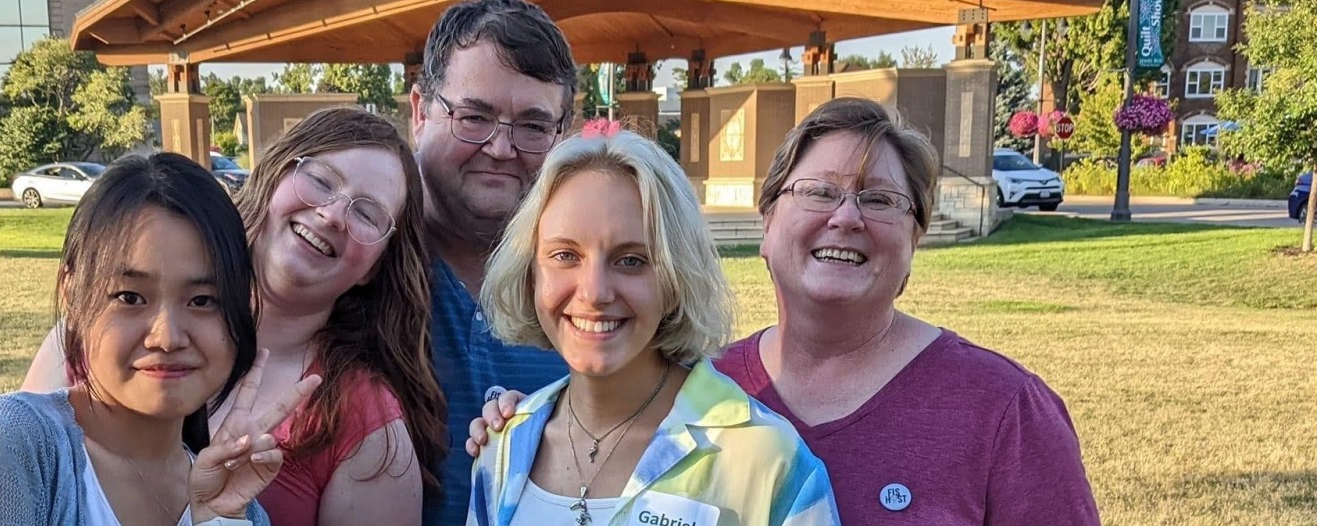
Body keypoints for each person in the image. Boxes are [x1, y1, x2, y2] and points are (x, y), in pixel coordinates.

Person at [470, 98, 1101, 524]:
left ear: (916, 239)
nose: (846, 217)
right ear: (767, 223)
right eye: (819, 192)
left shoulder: (1004, 411)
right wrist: (514, 421)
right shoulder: (703, 392)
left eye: (880, 199)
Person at [22, 108, 445, 526]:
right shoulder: (89, 340)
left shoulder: (365, 422)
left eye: (367, 214)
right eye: (319, 180)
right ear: (271, 179)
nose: (332, 214)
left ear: (375, 265)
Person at [0, 152, 320, 525]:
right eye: (129, 297)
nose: (168, 337)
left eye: (202, 300)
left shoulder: (238, 505)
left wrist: (216, 521)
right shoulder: (10, 443)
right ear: (72, 292)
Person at [468, 124, 840, 526]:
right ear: (531, 273)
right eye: (565, 255)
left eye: (631, 260)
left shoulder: (765, 460)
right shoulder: (502, 449)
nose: (594, 292)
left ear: (675, 279)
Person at [408, 1, 578, 523]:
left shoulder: (598, 294)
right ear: (420, 112)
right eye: (474, 116)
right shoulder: (354, 265)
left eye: (532, 126)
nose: (501, 148)